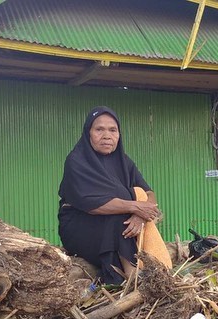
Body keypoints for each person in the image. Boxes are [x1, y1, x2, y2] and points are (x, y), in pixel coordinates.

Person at [58, 106, 162, 285]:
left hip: (120, 226)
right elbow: (90, 204)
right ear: (88, 133)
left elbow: (148, 193)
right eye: (99, 129)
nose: (107, 135)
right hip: (80, 227)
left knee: (128, 217)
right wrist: (133, 206)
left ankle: (148, 267)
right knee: (117, 217)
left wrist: (140, 214)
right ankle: (132, 272)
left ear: (119, 135)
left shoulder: (124, 161)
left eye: (112, 130)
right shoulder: (77, 161)